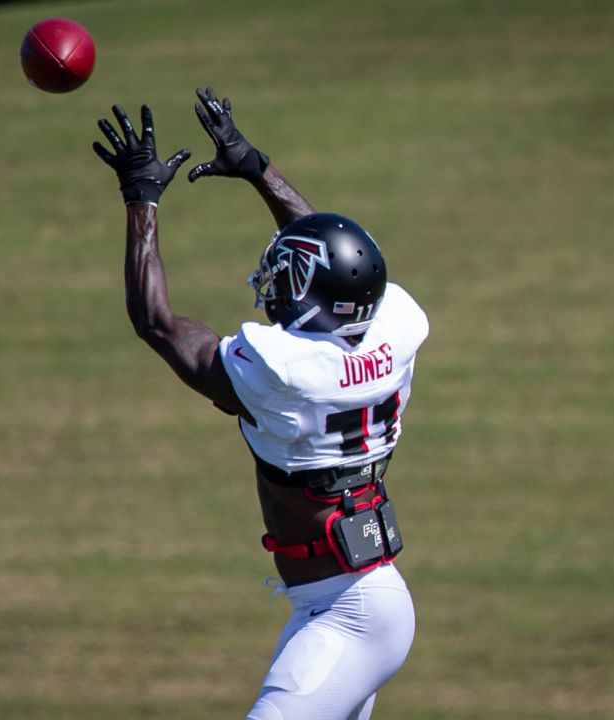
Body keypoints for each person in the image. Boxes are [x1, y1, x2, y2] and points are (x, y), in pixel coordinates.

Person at [92, 87, 429, 720]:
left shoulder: (285, 374)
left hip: (346, 611)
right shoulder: (393, 331)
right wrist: (255, 166)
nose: (272, 283)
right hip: (356, 595)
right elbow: (341, 259)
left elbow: (159, 324)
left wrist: (142, 198)